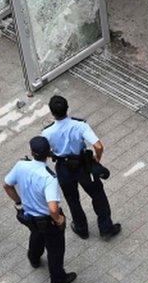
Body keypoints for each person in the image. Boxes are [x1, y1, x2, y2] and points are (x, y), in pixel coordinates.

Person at [42, 95, 121, 240]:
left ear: (52, 112)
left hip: (63, 168)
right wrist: (97, 158)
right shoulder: (80, 125)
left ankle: (81, 228)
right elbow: (98, 146)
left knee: (72, 199)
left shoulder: (47, 132)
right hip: (83, 165)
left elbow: (44, 150)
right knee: (98, 195)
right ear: (67, 109)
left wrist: (54, 153)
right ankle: (105, 228)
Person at [3, 137, 77, 283]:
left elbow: (7, 185)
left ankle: (34, 258)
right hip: (47, 220)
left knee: (36, 235)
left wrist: (18, 202)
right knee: (55, 250)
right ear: (49, 153)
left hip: (29, 216)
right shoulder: (49, 178)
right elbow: (53, 208)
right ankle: (57, 279)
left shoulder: (20, 165)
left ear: (31, 152)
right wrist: (59, 220)